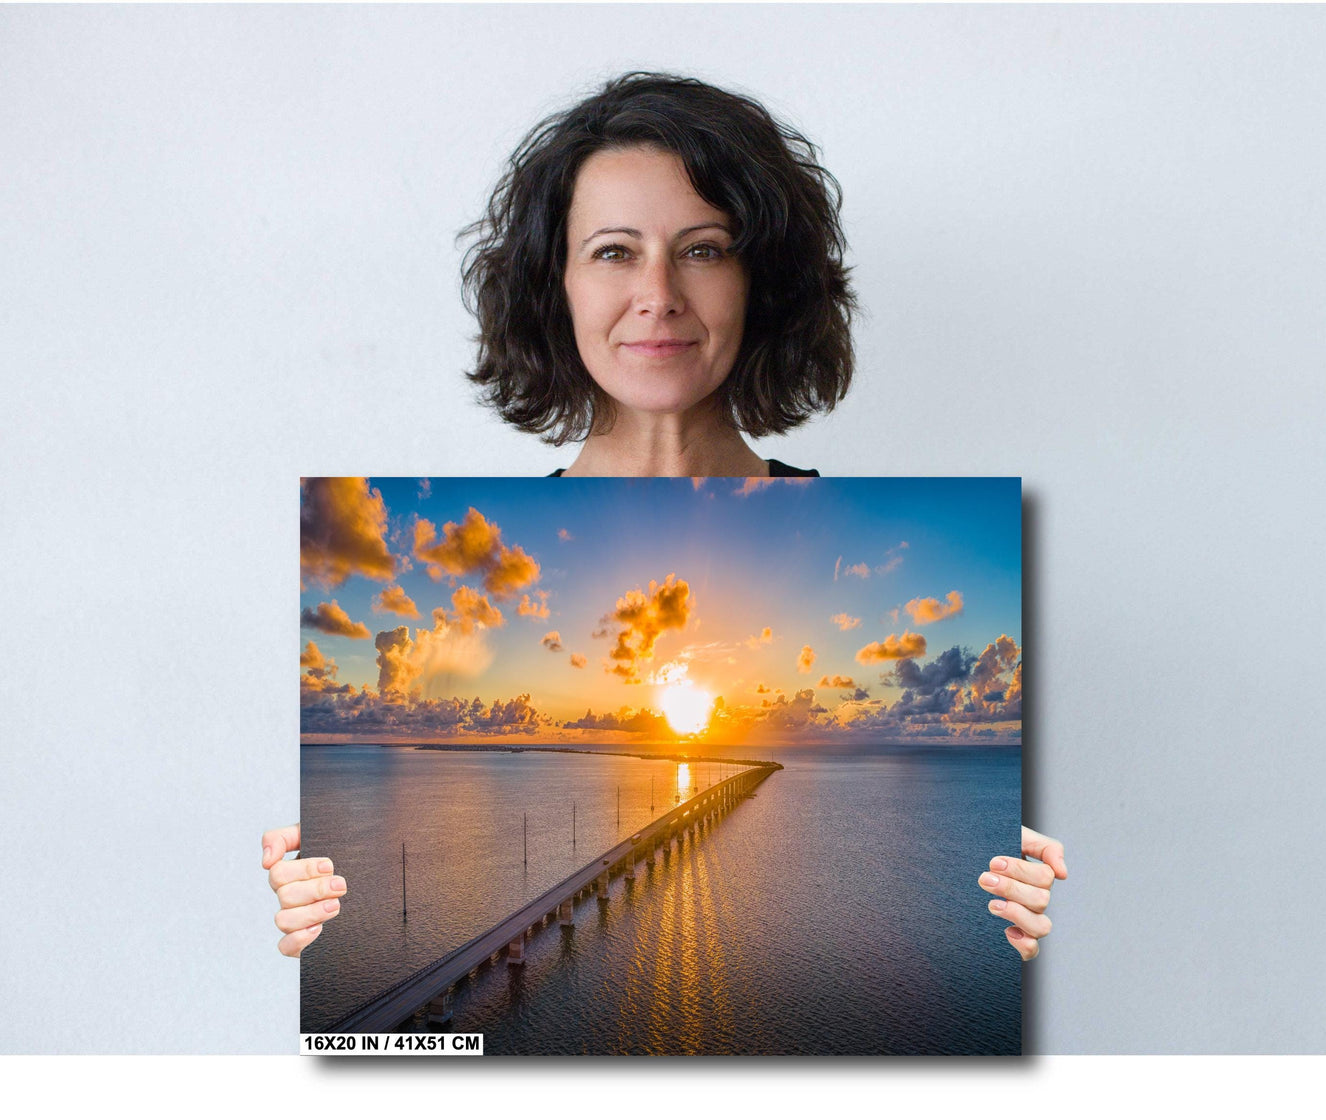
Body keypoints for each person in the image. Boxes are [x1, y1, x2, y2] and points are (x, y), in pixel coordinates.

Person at [269, 72, 1066, 961]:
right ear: (555, 285)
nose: (659, 294)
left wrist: (1019, 917)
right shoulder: (501, 537)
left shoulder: (887, 534)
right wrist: (317, 918)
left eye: (703, 249)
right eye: (613, 251)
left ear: (760, 283)